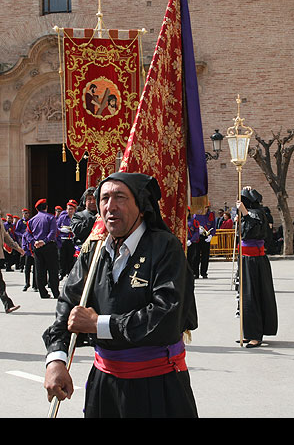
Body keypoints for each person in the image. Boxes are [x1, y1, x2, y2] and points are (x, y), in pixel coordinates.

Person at [42, 172, 198, 418]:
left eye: (120, 197)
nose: (110, 206)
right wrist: (56, 360)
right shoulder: (93, 250)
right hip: (104, 385)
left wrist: (98, 324)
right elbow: (68, 305)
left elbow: (166, 315)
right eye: (104, 198)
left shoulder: (165, 247)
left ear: (142, 206)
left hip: (156, 384)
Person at [235, 187, 278, 348]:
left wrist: (245, 213)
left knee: (253, 296)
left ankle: (256, 335)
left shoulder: (258, 213)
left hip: (255, 261)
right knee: (245, 297)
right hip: (245, 259)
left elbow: (254, 229)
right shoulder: (246, 213)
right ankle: (248, 332)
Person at [24, 198, 60, 299]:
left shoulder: (31, 220)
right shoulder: (51, 218)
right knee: (52, 269)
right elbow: (53, 233)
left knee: (39, 270)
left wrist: (34, 241)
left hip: (37, 247)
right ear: (46, 207)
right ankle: (55, 292)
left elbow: (27, 234)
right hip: (49, 245)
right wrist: (44, 241)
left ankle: (42, 292)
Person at [57, 199, 78, 281]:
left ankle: (70, 273)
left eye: (72, 209)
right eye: (68, 209)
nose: (70, 211)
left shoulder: (77, 217)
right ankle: (61, 273)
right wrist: (61, 230)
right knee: (61, 257)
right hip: (63, 239)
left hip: (72, 239)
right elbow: (56, 227)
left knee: (71, 257)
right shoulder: (62, 218)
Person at [193, 206, 216, 279]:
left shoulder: (211, 215)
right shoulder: (196, 214)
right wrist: (197, 230)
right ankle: (195, 273)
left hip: (206, 237)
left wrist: (211, 236)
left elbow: (213, 226)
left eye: (206, 207)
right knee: (196, 256)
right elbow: (192, 224)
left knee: (205, 256)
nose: (205, 209)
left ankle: (204, 272)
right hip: (197, 237)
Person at [186, 209, 200, 278]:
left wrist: (191, 240)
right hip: (182, 242)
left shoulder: (194, 221)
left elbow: (196, 232)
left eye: (187, 211)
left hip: (191, 242)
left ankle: (191, 273)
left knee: (191, 258)